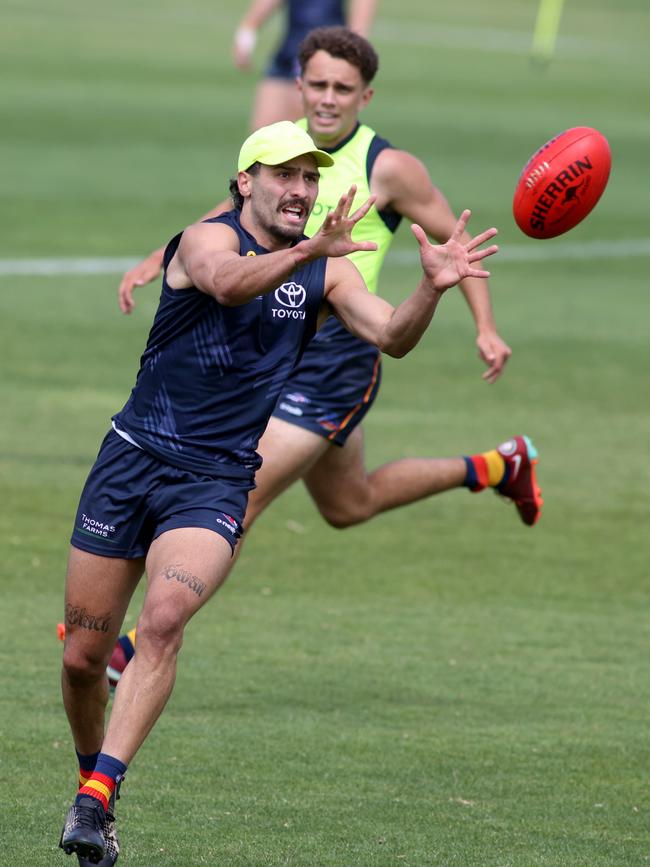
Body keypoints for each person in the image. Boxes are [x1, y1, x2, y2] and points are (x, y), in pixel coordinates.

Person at [58, 120, 499, 864]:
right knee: (79, 659)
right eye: (285, 175)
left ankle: (94, 798)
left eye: (309, 176)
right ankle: (91, 775)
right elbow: (228, 284)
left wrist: (430, 286)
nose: (300, 189)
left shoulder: (326, 272)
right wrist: (306, 251)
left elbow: (390, 334)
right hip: (130, 461)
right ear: (244, 183)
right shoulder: (205, 238)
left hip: (218, 478)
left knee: (164, 619)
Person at [118, 27, 541, 548]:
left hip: (336, 356)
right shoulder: (281, 146)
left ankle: (137, 632)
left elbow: (456, 245)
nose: (327, 98)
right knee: (348, 504)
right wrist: (161, 256)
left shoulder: (386, 167)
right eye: (318, 84)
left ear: (364, 97)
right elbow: (232, 213)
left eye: (342, 89)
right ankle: (500, 466)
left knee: (235, 498)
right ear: (299, 85)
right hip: (270, 342)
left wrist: (487, 327)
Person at [232, 0, 378, 128]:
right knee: (262, 132)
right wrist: (248, 31)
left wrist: (354, 51)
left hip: (326, 57)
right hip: (288, 51)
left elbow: (361, 16)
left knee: (304, 133)